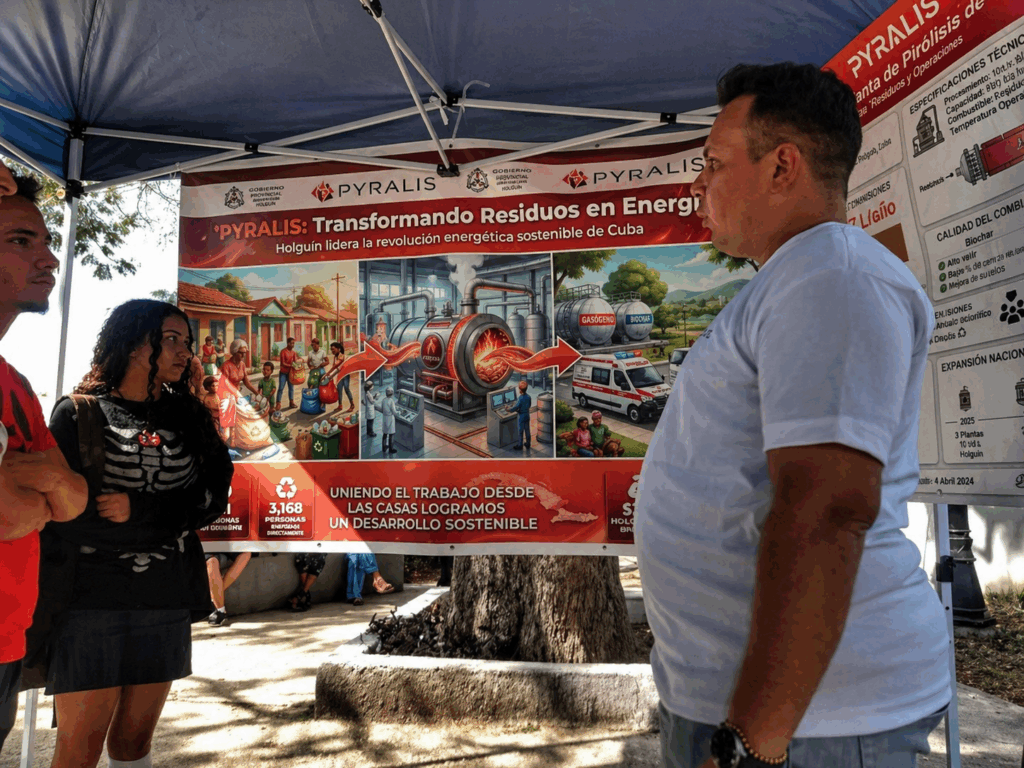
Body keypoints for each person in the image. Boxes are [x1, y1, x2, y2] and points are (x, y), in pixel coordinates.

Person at [634, 63, 950, 768]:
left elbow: (829, 506)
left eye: (713, 164)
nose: (698, 185)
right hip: (771, 713)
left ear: (783, 167)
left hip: (814, 724)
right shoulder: (798, 277)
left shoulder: (832, 272)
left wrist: (753, 738)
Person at [46, 298, 232, 768]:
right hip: (91, 600)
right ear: (132, 343)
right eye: (170, 340)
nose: (183, 352)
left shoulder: (190, 419)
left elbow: (213, 498)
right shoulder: (78, 414)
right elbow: (60, 512)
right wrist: (164, 522)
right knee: (78, 747)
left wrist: (140, 510)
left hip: (164, 596)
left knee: (133, 743)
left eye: (186, 343)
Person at [0, 167, 89, 751]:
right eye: (20, 240)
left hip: (8, 642)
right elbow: (11, 512)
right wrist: (47, 486)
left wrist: (52, 478)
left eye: (47, 242)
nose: (51, 259)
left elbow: (70, 500)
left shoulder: (16, 384)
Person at [217, 339, 259, 447]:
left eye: (244, 353)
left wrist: (257, 393)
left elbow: (246, 382)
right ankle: (224, 443)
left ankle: (233, 443)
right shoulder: (226, 366)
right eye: (241, 353)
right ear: (235, 352)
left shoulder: (242, 365)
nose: (243, 355)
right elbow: (223, 385)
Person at [205, 553, 252, 626]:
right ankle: (220, 610)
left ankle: (214, 594)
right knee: (212, 562)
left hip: (227, 546)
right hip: (207, 549)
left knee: (246, 553)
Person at [325, 341, 355, 412]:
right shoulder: (335, 357)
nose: (332, 351)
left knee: (346, 389)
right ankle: (340, 405)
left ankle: (352, 405)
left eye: (333, 349)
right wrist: (329, 375)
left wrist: (329, 374)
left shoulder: (342, 356)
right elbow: (334, 367)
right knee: (339, 390)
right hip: (339, 375)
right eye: (331, 349)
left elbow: (336, 367)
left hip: (345, 375)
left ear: (338, 349)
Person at [508, 379, 531, 450]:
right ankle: (528, 443)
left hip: (521, 416)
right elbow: (529, 405)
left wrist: (508, 409)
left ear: (520, 389)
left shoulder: (520, 398)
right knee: (527, 430)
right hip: (527, 415)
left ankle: (520, 445)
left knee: (520, 431)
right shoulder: (529, 397)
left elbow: (515, 407)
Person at [277, 337, 298, 410]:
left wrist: (297, 365)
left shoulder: (294, 352)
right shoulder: (283, 351)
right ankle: (278, 403)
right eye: (291, 343)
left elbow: (295, 361)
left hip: (290, 373)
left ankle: (291, 402)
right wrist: (291, 365)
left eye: (293, 343)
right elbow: (283, 363)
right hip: (283, 373)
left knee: (291, 388)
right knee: (281, 388)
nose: (293, 345)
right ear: (288, 343)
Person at [377, 386, 397, 455]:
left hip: (385, 418)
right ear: (392, 393)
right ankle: (391, 449)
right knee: (391, 434)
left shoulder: (383, 400)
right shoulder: (391, 401)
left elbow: (382, 409)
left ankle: (384, 447)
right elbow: (394, 412)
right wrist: (399, 413)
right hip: (390, 418)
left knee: (385, 433)